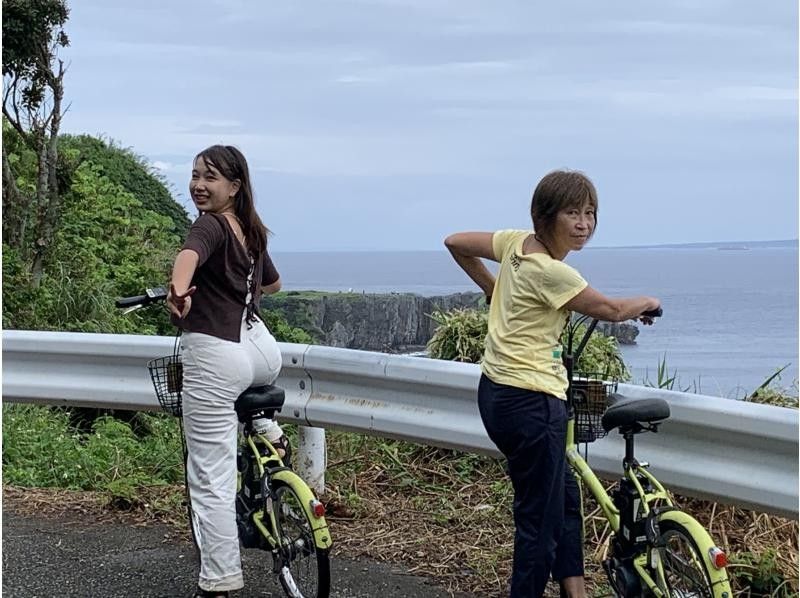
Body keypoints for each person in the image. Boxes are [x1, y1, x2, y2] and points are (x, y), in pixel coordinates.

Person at [444, 170, 660, 598]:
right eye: (572, 213)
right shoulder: (551, 273)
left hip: (496, 392)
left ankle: (575, 590)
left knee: (564, 497)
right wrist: (648, 303)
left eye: (590, 213)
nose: (584, 224)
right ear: (546, 216)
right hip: (533, 402)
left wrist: (494, 289)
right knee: (538, 526)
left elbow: (455, 243)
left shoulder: (515, 244)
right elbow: (612, 309)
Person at [166, 144, 286, 598]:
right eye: (195, 174)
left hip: (218, 355)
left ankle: (219, 582)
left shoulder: (210, 223)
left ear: (234, 187)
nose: (198, 184)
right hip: (260, 350)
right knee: (247, 393)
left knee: (211, 475)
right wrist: (235, 290)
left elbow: (188, 257)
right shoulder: (250, 228)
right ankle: (269, 433)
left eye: (210, 177)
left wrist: (180, 292)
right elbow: (272, 284)